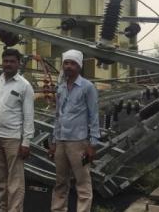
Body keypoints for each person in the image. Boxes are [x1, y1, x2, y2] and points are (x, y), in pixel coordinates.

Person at [0, 48, 35, 212]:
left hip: (13, 139)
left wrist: (26, 142)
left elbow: (28, 116)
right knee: (1, 179)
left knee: (15, 181)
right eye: (6, 61)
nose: (8, 64)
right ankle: (3, 209)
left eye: (12, 61)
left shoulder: (24, 86)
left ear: (18, 63)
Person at [49, 49, 100, 212]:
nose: (69, 66)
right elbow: (58, 115)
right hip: (61, 141)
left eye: (73, 63)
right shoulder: (61, 87)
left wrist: (92, 144)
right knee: (60, 182)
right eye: (66, 63)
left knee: (82, 182)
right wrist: (54, 141)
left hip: (79, 142)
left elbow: (94, 116)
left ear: (79, 66)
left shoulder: (87, 87)